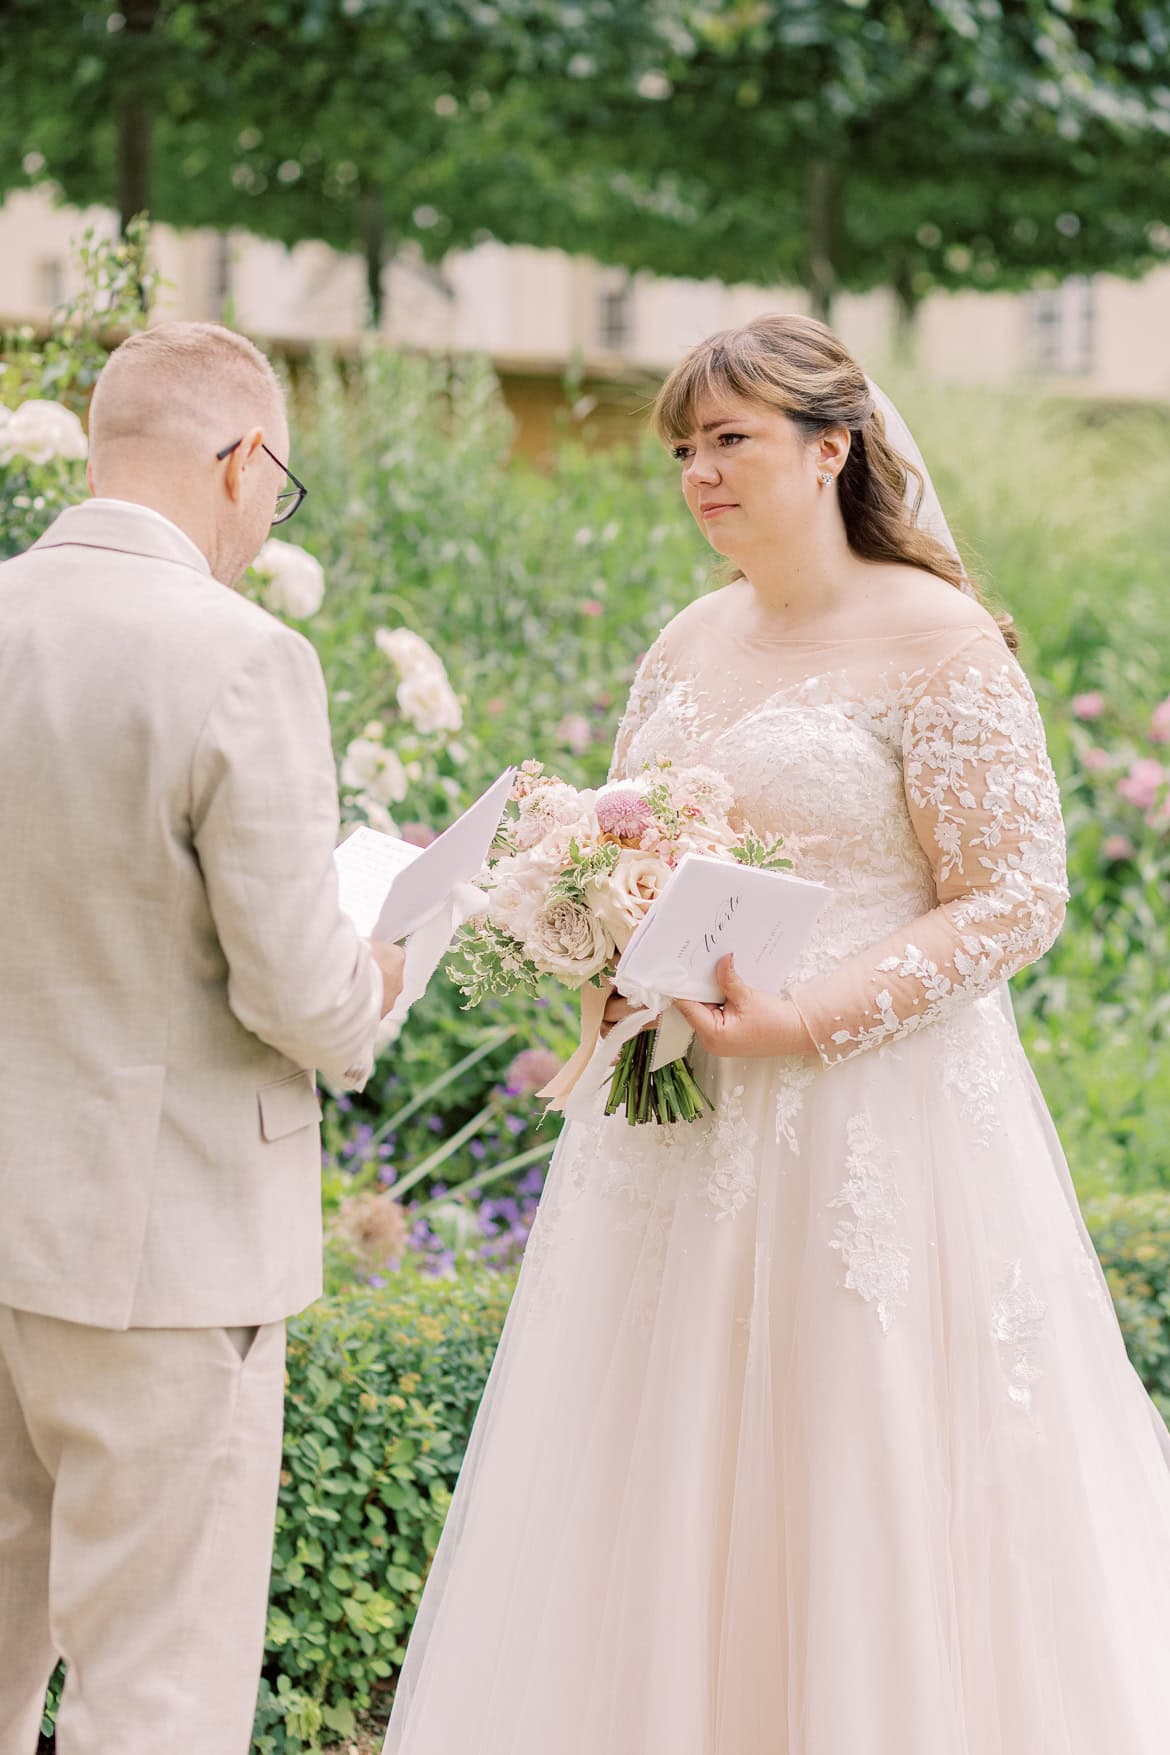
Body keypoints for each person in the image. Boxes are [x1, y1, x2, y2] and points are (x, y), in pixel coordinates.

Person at [382, 315, 1170, 1754]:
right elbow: (641, 861)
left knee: (858, 1464)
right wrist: (608, 971)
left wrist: (802, 1019)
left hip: (875, 1127)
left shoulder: (935, 639)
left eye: (730, 439)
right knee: (659, 1473)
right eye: (684, 448)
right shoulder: (686, 639)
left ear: (833, 447)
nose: (699, 473)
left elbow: (1015, 897)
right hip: (680, 1128)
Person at [0, 321, 406, 1755]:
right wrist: (390, 961)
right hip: (158, 1251)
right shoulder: (242, 658)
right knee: (154, 1695)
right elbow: (302, 996)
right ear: (243, 463)